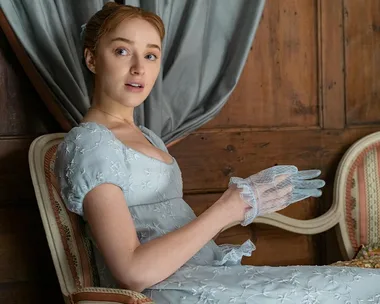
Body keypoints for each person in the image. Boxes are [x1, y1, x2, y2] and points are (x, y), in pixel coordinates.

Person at [54, 3, 380, 303]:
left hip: (204, 275)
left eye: (151, 55)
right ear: (92, 59)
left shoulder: (149, 137)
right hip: (165, 293)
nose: (139, 67)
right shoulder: (90, 143)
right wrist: (226, 209)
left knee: (361, 282)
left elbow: (170, 232)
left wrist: (248, 204)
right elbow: (133, 273)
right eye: (122, 51)